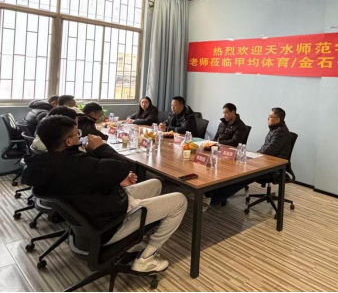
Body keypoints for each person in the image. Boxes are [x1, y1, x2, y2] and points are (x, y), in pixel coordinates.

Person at [23, 115, 187, 273]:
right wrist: (100, 147)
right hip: (109, 226)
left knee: (155, 183)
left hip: (96, 211)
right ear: (68, 141)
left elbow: (89, 180)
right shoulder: (78, 165)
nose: (80, 135)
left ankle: (138, 238)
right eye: (77, 133)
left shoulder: (48, 161)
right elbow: (123, 166)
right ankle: (145, 259)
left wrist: (114, 178)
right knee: (180, 200)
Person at [207, 107, 291, 207]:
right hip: (265, 162)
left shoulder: (280, 133)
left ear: (277, 119)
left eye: (270, 117)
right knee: (236, 170)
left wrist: (254, 155)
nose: (267, 118)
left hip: (274, 169)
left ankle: (217, 198)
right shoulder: (275, 129)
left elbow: (268, 151)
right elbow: (265, 150)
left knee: (243, 177)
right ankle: (213, 193)